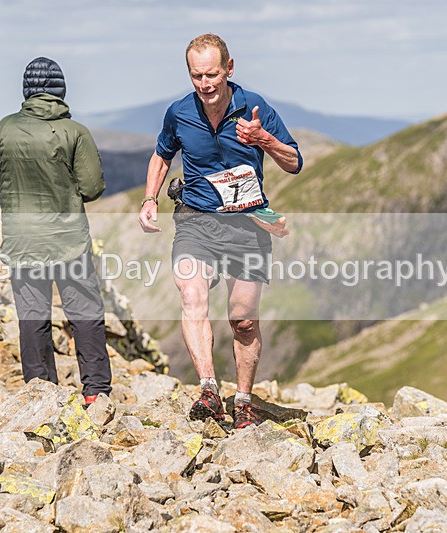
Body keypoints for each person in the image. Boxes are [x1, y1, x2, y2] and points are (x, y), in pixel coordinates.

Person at [138, 34, 302, 429]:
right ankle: (209, 390)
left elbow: (294, 161)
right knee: (192, 294)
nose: (205, 84)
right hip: (196, 221)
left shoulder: (255, 108)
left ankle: (243, 401)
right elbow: (162, 154)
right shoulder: (179, 112)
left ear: (230, 68)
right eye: (197, 76)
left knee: (243, 320)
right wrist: (149, 199)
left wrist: (264, 139)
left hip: (248, 223)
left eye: (212, 74)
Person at [0, 57, 111, 405]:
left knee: (32, 315)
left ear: (26, 90)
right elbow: (92, 188)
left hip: (22, 240)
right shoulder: (75, 132)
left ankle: (41, 393)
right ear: (61, 89)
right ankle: (96, 392)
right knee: (84, 313)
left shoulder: (3, 129)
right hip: (68, 240)